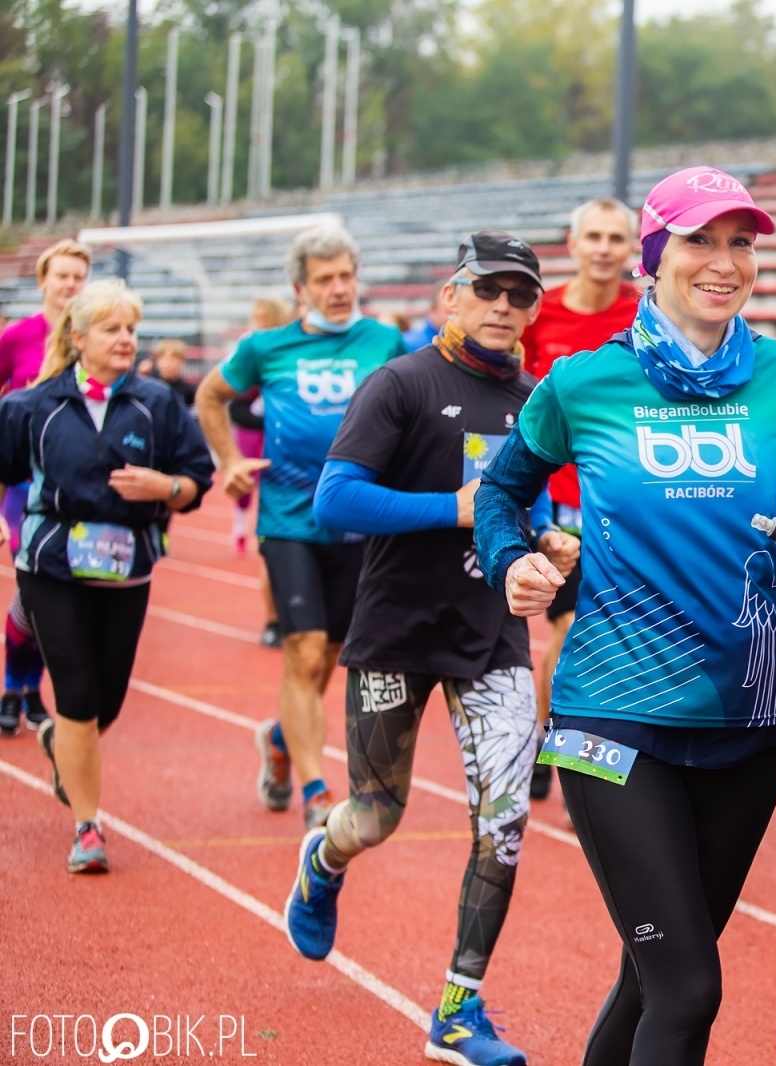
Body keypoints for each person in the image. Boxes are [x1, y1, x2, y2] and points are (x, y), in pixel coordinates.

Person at [474, 166, 776, 1066]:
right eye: (700, 240)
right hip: (612, 720)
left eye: (741, 243)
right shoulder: (584, 382)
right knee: (689, 988)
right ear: (653, 257)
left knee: (651, 980)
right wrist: (514, 561)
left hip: (746, 730)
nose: (725, 262)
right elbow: (501, 493)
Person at [284, 232, 576, 1066]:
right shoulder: (400, 382)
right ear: (452, 295)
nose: (504, 307)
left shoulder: (534, 398)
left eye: (521, 295)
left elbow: (525, 504)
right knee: (376, 816)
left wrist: (545, 539)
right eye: (488, 290)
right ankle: (323, 860)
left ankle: (458, 1009)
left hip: (493, 634)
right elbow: (335, 499)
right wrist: (453, 509)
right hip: (398, 627)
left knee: (505, 822)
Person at [195, 224, 407, 830]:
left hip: (361, 520)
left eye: (346, 276)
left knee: (328, 658)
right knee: (303, 649)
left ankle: (281, 739)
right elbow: (210, 396)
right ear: (300, 288)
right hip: (290, 518)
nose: (339, 289)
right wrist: (229, 461)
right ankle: (317, 790)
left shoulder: (385, 341)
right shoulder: (266, 347)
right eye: (325, 280)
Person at [0, 279, 212, 871]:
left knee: (105, 703)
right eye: (111, 329)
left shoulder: (158, 404)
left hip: (127, 568)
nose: (125, 339)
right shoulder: (32, 406)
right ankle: (87, 828)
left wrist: (165, 486)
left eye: (131, 329)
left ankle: (58, 743)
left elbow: (196, 480)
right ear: (78, 337)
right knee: (75, 694)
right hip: (51, 564)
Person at [518, 195, 640, 801]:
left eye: (615, 238)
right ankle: (559, 745)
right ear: (572, 244)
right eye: (593, 236)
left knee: (620, 638)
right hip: (561, 505)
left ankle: (590, 758)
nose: (603, 249)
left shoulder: (644, 315)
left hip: (629, 507)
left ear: (632, 248)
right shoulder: (541, 317)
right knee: (571, 633)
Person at [0, 239, 90, 736]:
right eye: (62, 275)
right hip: (23, 485)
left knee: (59, 594)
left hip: (75, 488)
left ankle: (30, 687)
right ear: (43, 281)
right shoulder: (17, 337)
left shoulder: (92, 337)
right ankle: (16, 686)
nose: (70, 285)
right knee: (32, 588)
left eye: (78, 276)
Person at [229, 298, 294, 643]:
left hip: (312, 466)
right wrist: (272, 422)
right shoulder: (257, 354)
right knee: (274, 546)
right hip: (272, 461)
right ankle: (273, 622)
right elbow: (234, 406)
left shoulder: (306, 351)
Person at [141, 338, 196, 408]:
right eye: (164, 359)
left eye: (173, 360)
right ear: (157, 361)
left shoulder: (188, 392)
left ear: (182, 362)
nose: (168, 364)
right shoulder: (147, 386)